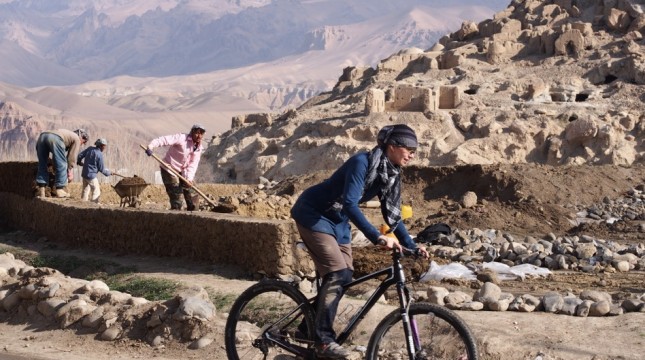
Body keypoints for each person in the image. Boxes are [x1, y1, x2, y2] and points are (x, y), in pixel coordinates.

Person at [290, 124, 429, 359]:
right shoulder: (361, 163)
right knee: (336, 272)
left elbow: (393, 215)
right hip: (314, 214)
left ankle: (307, 329)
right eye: (409, 148)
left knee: (344, 277)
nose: (413, 154)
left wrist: (412, 245)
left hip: (339, 222)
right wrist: (376, 236)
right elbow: (350, 204)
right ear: (393, 146)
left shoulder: (391, 172)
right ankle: (323, 341)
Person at [144, 124, 206, 211]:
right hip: (169, 168)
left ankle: (192, 215)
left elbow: (193, 165)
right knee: (177, 199)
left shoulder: (199, 149)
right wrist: (151, 146)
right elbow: (164, 140)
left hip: (183, 171)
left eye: (201, 134)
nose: (199, 136)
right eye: (197, 133)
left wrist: (189, 179)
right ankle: (176, 215)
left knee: (192, 195)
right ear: (192, 132)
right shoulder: (181, 138)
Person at [35, 128, 89, 198]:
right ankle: (60, 190)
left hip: (42, 137)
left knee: (42, 164)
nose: (83, 144)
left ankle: (41, 190)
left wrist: (54, 166)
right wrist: (69, 171)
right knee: (63, 164)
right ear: (81, 137)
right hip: (55, 138)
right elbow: (71, 157)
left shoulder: (67, 135)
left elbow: (56, 156)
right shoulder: (77, 139)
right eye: (84, 142)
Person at [77, 138, 112, 203]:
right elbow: (101, 169)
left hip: (84, 174)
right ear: (100, 146)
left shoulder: (90, 149)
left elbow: (80, 155)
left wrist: (79, 162)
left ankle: (82, 205)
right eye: (104, 146)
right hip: (91, 176)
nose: (104, 148)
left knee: (85, 190)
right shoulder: (99, 154)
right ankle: (94, 206)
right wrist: (109, 173)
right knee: (96, 191)